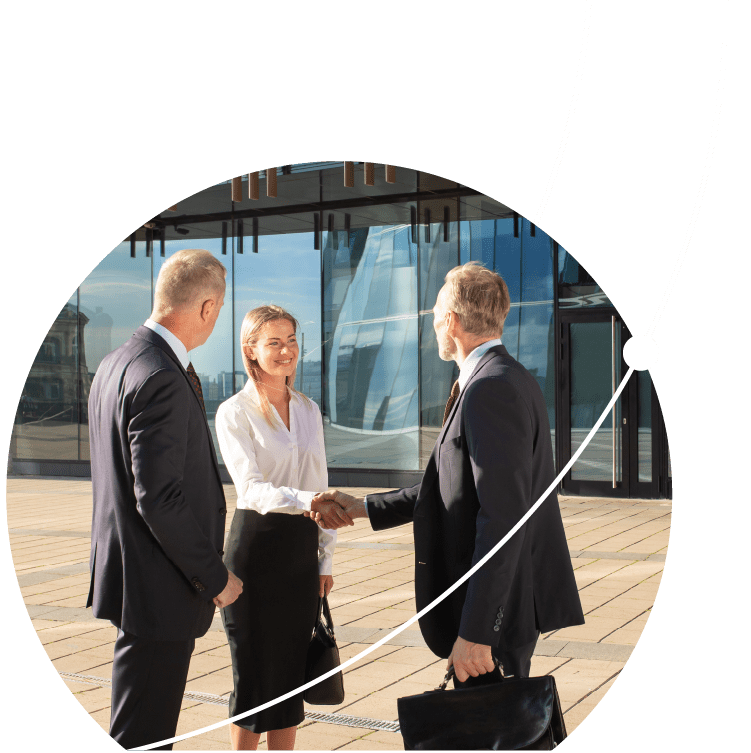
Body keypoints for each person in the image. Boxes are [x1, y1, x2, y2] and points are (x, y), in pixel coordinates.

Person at [309, 262, 584, 687]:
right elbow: (453, 487)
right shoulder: (504, 378)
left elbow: (504, 520)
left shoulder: (489, 388)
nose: (434, 324)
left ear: (451, 321)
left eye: (436, 314)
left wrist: (477, 632)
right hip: (494, 608)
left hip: (492, 618)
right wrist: (363, 507)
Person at [86, 249, 243, 751]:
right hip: (162, 585)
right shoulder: (162, 376)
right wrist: (215, 577)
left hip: (133, 578)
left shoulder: (116, 362)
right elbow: (159, 498)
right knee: (146, 735)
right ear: (206, 308)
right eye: (218, 310)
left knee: (139, 725)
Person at [215, 305, 343, 752]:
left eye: (291, 339)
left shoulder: (308, 409)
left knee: (290, 676)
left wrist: (324, 556)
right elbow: (250, 490)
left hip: (300, 555)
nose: (286, 350)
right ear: (251, 349)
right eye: (274, 341)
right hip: (254, 551)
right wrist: (308, 502)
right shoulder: (234, 413)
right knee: (250, 676)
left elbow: (319, 483)